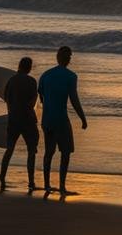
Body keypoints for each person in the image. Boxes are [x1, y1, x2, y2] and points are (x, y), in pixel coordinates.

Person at [37, 45, 87, 195]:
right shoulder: (71, 77)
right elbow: (74, 100)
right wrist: (83, 119)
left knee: (49, 152)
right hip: (61, 120)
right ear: (69, 59)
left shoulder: (45, 75)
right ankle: (62, 187)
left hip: (47, 120)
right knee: (65, 153)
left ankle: (46, 185)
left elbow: (41, 96)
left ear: (57, 58)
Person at [0, 56, 39, 191]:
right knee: (31, 151)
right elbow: (32, 103)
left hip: (13, 119)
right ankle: (31, 181)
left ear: (19, 66)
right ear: (29, 67)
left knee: (9, 149)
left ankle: (2, 175)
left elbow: (6, 98)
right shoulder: (32, 81)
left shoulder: (11, 81)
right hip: (28, 120)